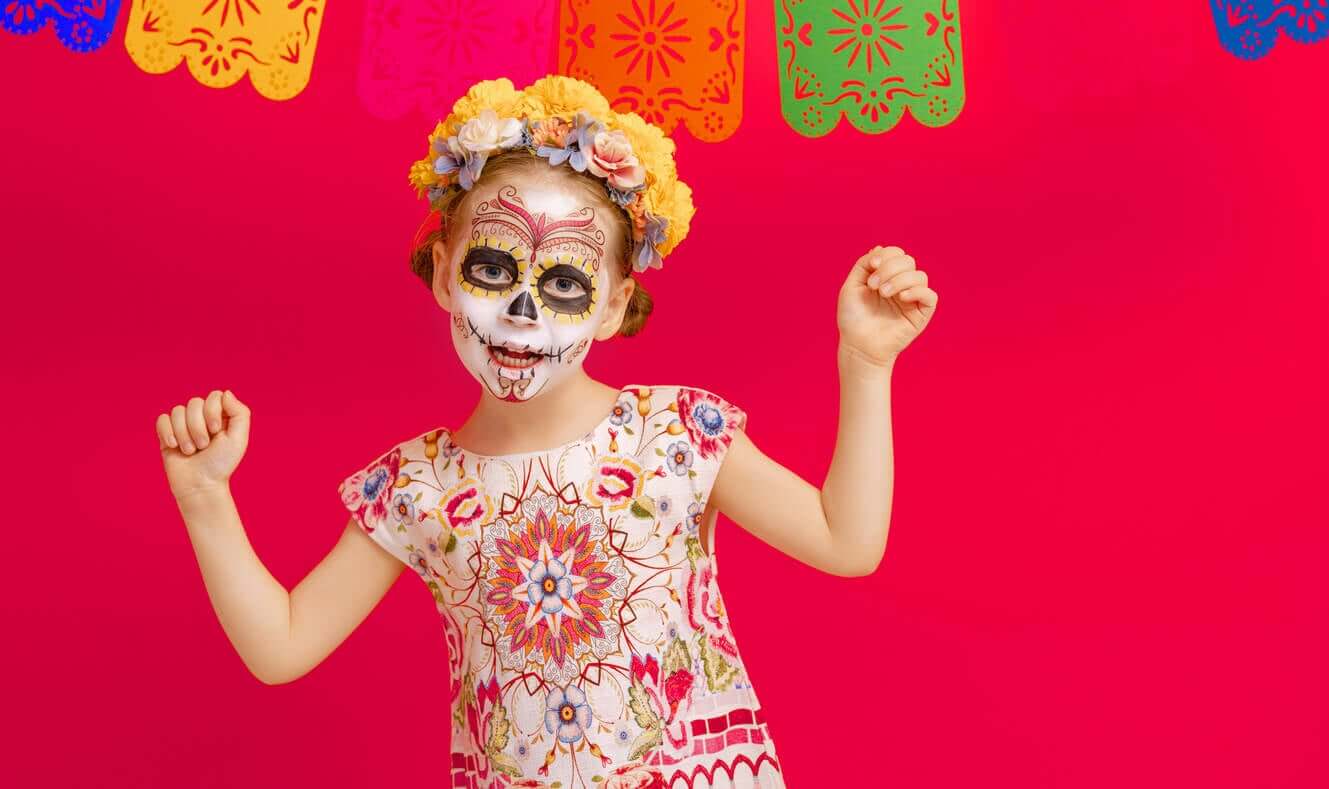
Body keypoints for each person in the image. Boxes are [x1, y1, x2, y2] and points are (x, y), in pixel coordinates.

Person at [157, 76, 938, 789]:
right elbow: (282, 646)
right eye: (493, 270)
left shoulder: (675, 435)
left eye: (563, 283)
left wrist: (864, 364)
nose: (523, 312)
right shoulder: (415, 488)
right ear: (441, 272)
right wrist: (204, 500)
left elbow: (847, 542)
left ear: (610, 304)